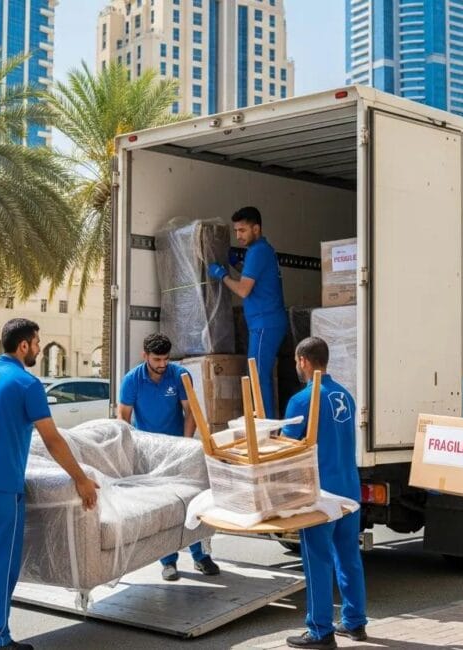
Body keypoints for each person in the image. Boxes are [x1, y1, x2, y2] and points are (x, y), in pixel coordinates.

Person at [0, 319, 99, 650]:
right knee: (0, 563)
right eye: (36, 343)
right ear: (23, 346)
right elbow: (51, 439)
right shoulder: (26, 383)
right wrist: (81, 479)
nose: (38, 348)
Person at [281, 337, 367, 650]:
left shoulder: (303, 400)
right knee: (348, 556)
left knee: (317, 558)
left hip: (321, 493)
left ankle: (319, 630)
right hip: (350, 488)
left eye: (296, 361)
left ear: (303, 360)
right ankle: (355, 623)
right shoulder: (345, 394)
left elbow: (288, 447)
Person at [117, 332, 220, 581]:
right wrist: (132, 452)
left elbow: (191, 412)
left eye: (165, 359)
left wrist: (184, 445)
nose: (162, 364)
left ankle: (200, 556)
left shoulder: (179, 375)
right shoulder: (132, 381)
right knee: (164, 507)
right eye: (157, 359)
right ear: (145, 356)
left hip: (177, 448)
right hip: (150, 453)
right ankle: (169, 561)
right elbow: (123, 419)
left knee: (191, 502)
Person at [207, 206, 287, 418]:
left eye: (242, 230)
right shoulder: (262, 250)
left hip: (265, 324)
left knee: (258, 377)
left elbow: (243, 289)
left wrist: (222, 274)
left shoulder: (258, 251)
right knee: (259, 376)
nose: (238, 236)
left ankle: (266, 427)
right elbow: (252, 278)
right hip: (265, 323)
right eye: (236, 231)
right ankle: (265, 422)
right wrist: (237, 265)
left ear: (256, 228)